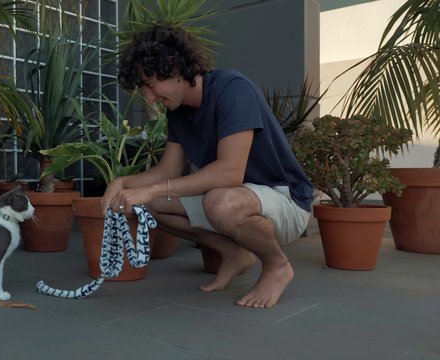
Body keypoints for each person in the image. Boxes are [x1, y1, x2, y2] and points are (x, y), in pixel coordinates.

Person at [103, 24, 314, 308]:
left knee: (220, 202)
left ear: (173, 66)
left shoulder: (232, 90)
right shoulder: (178, 112)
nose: (149, 98)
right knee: (148, 205)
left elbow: (230, 172)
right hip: (237, 197)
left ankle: (277, 265)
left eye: (150, 84)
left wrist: (152, 189)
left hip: (285, 199)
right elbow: (167, 172)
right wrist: (123, 184)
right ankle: (234, 253)